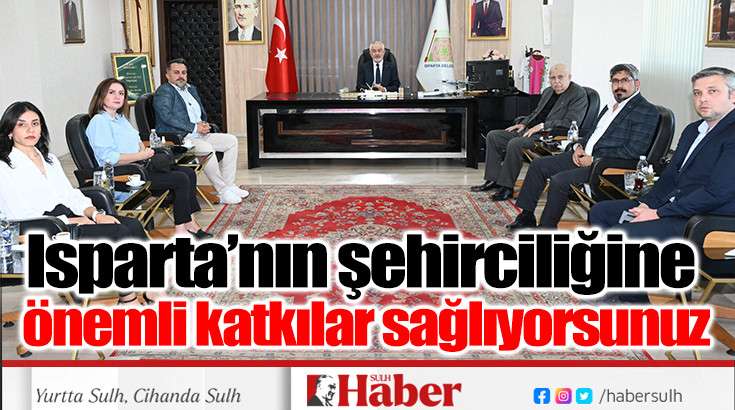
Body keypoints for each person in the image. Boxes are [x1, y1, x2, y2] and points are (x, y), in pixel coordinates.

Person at [0, 101, 150, 304]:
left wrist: (95, 214)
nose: (30, 130)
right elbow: (18, 213)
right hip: (41, 228)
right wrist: (71, 221)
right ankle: (128, 299)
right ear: (10, 131)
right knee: (118, 233)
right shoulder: (4, 166)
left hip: (66, 218)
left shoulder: (49, 159)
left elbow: (69, 194)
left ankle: (149, 288)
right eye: (21, 124)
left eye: (35, 123)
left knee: (132, 225)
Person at [589, 67, 735, 241]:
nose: (703, 98)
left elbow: (716, 194)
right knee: (601, 212)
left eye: (712, 91)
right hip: (676, 206)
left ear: (733, 96)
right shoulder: (692, 130)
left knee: (624, 233)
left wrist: (659, 213)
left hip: (707, 219)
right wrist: (647, 204)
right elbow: (670, 175)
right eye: (697, 93)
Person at [508, 64, 660, 230]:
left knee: (559, 181)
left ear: (636, 84)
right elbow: (592, 133)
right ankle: (527, 216)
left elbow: (634, 151)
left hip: (604, 166)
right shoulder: (610, 106)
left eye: (624, 80)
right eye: (615, 81)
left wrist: (593, 159)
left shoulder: (646, 111)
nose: (619, 85)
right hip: (583, 156)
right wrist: (578, 146)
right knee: (538, 165)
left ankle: (546, 228)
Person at [85, 78, 212, 239]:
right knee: (180, 179)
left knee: (189, 173)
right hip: (123, 174)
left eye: (121, 93)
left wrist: (142, 150)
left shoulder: (120, 118)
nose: (117, 97)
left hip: (140, 165)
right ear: (101, 96)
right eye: (112, 92)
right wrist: (141, 155)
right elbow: (109, 158)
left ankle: (190, 222)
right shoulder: (99, 121)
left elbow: (137, 139)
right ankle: (182, 230)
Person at [470, 64, 588, 201]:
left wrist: (542, 126)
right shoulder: (548, 91)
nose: (556, 81)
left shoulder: (578, 94)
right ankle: (493, 179)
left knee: (515, 143)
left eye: (560, 77)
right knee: (493, 136)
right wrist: (524, 123)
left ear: (569, 77)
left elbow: (570, 122)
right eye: (553, 78)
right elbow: (536, 113)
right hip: (529, 131)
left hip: (547, 136)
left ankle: (506, 187)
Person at [153, 58, 247, 205]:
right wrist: (194, 127)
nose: (181, 76)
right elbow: (166, 116)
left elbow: (199, 114)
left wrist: (204, 125)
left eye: (184, 72)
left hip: (198, 134)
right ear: (167, 75)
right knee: (207, 149)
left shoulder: (191, 89)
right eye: (176, 72)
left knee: (231, 141)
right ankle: (222, 191)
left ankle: (229, 185)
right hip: (180, 138)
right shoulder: (164, 91)